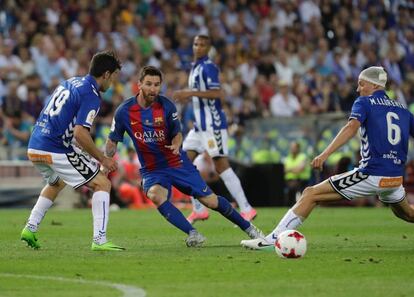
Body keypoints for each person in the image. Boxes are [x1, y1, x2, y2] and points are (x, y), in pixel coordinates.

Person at [241, 66, 414, 250]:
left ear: (373, 85)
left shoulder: (364, 103)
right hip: (395, 178)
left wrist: (324, 154)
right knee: (408, 214)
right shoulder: (403, 109)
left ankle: (271, 241)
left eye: (361, 84)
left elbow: (350, 128)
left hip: (372, 174)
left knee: (310, 194)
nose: (358, 89)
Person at [105, 66, 264, 247]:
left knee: (210, 201)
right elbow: (112, 141)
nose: (153, 88)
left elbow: (177, 133)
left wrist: (176, 143)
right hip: (152, 169)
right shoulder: (124, 111)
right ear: (139, 84)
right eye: (148, 84)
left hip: (177, 163)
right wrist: (105, 161)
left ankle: (250, 229)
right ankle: (193, 233)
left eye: (157, 85)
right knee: (155, 195)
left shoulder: (166, 106)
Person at [20, 51, 125, 251]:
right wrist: (103, 158)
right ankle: (100, 240)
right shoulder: (91, 95)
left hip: (35, 145)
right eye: (114, 77)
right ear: (106, 74)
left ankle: (30, 227)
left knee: (57, 182)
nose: (113, 82)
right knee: (102, 184)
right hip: (54, 147)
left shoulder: (71, 82)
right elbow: (80, 133)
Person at [172, 35, 257, 224]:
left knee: (221, 165)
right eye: (195, 44)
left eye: (202, 44)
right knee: (181, 162)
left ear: (208, 47)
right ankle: (199, 209)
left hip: (213, 125)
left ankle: (246, 209)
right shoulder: (195, 67)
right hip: (199, 127)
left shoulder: (209, 67)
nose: (198, 47)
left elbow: (218, 93)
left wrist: (190, 92)